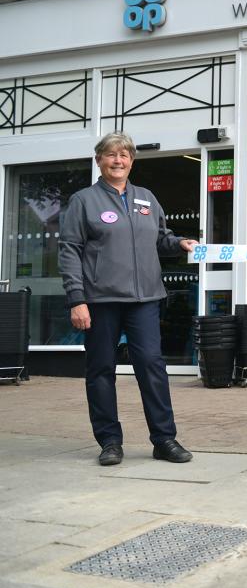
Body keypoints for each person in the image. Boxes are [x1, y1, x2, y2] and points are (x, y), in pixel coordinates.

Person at [58, 133, 198, 467]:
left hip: (144, 299)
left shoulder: (146, 199)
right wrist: (77, 299)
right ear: (99, 160)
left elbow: (159, 239)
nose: (117, 160)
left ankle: (164, 439)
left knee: (151, 366)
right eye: (110, 155)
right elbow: (70, 251)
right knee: (101, 369)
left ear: (131, 161)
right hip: (100, 300)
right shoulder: (84, 201)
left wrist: (179, 243)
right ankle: (109, 441)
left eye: (124, 155)